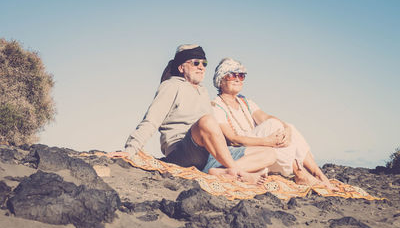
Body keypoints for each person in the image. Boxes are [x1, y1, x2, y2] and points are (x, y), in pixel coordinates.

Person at [114, 45, 276, 184]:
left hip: (206, 154)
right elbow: (151, 120)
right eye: (195, 63)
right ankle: (237, 172)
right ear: (181, 67)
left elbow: (215, 135)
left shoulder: (203, 92)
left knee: (269, 154)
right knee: (207, 121)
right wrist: (131, 149)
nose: (201, 67)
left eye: (204, 63)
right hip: (183, 151)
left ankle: (220, 172)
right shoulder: (170, 86)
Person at [210, 57, 336, 189]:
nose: (237, 79)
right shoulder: (216, 106)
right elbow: (233, 139)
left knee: (286, 127)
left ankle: (318, 174)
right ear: (221, 80)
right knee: (273, 125)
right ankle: (300, 173)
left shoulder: (245, 102)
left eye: (241, 76)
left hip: (258, 147)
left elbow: (265, 117)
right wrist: (267, 141)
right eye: (231, 75)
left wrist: (287, 129)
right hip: (240, 151)